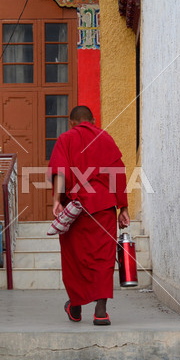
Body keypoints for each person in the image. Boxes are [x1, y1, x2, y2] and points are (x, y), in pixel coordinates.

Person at [48, 105, 130, 325]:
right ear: (92, 121)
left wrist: (56, 200)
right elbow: (118, 173)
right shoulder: (106, 139)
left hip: (76, 210)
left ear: (71, 122)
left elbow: (60, 171)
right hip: (103, 208)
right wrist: (123, 207)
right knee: (103, 259)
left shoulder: (66, 139)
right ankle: (101, 312)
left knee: (75, 258)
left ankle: (75, 307)